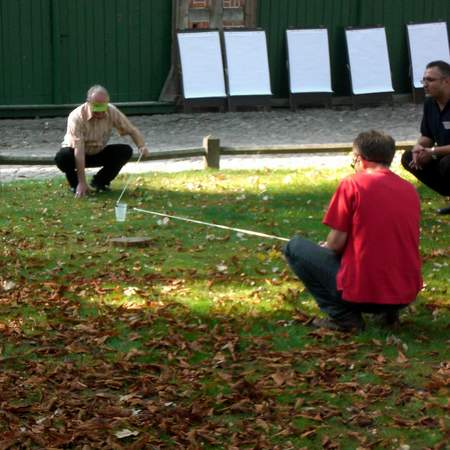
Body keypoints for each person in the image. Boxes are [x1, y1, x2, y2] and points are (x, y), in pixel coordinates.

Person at [284, 130, 422, 332]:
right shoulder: (409, 189)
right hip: (404, 294)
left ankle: (344, 317)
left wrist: (327, 247)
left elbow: (335, 244)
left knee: (294, 247)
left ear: (359, 159)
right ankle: (389, 315)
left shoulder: (353, 184)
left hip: (362, 294)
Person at [55, 85, 150, 198]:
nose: (99, 112)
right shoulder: (76, 116)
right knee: (62, 157)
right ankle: (76, 185)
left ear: (107, 102)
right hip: (76, 153)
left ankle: (99, 182)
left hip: (98, 151)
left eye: (102, 106)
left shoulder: (111, 110)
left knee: (125, 151)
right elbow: (78, 150)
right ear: (88, 102)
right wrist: (82, 181)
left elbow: (132, 130)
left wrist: (141, 146)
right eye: (96, 107)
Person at [401, 60, 450, 215]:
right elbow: (427, 135)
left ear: (446, 81)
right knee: (408, 157)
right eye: (424, 80)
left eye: (430, 80)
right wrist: (419, 148)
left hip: (446, 158)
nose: (425, 84)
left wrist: (432, 151)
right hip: (441, 155)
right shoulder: (430, 104)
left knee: (447, 163)